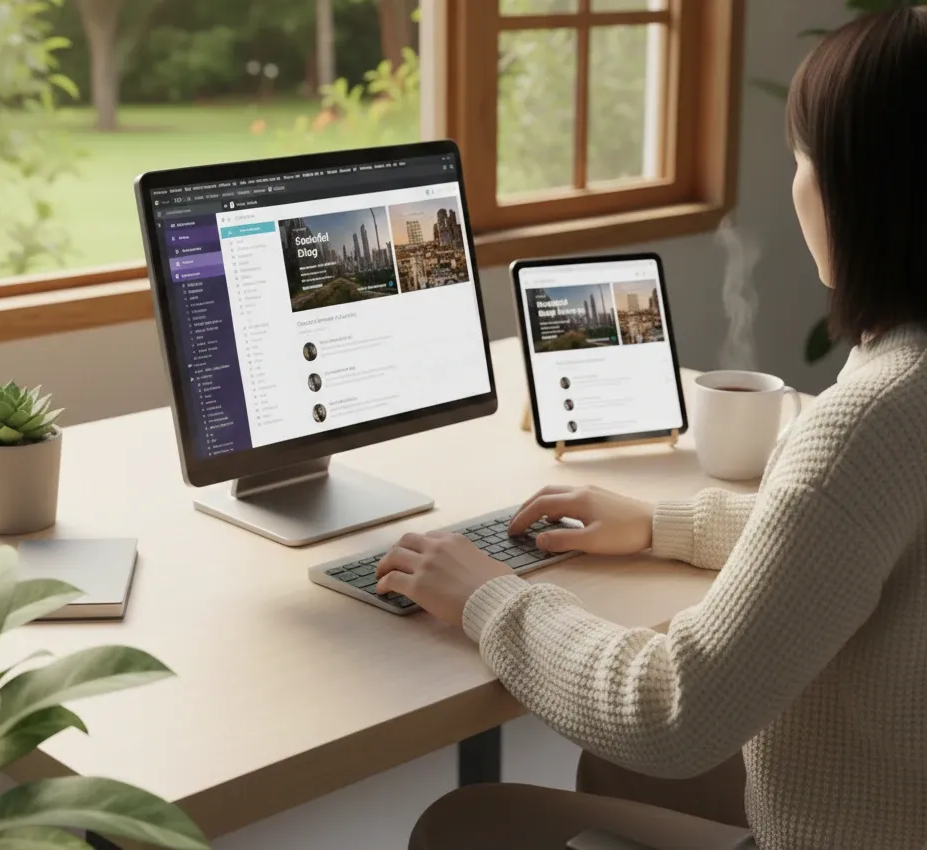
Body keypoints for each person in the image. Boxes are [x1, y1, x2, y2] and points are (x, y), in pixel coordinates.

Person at [376, 9, 927, 850]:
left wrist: (491, 600)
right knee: (617, 773)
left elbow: (670, 711)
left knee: (468, 822)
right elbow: (867, 540)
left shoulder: (870, 415)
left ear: (859, 188)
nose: (796, 182)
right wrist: (663, 523)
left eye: (802, 158)